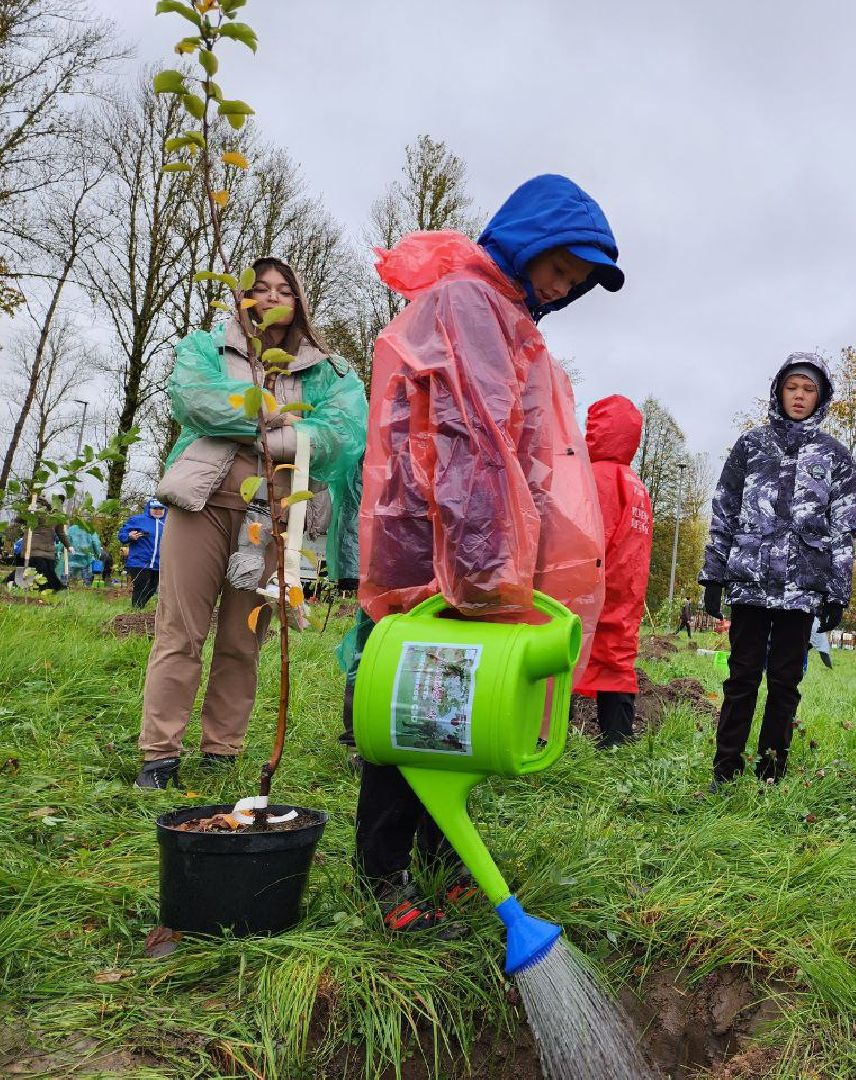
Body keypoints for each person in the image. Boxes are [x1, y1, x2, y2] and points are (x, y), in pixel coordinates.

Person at [352, 174, 618, 933]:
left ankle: (441, 856)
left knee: (452, 705)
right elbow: (473, 440)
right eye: (561, 269)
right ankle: (383, 869)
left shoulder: (497, 311)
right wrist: (484, 555)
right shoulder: (470, 304)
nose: (564, 290)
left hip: (470, 536)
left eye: (576, 283)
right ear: (528, 243)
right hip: (438, 538)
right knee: (408, 704)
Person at [134, 257, 368, 790]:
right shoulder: (205, 348)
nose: (270, 296)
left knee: (244, 638)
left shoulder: (330, 372)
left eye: (284, 287)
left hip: (274, 514)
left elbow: (340, 435)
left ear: (300, 299)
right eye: (258, 287)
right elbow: (196, 402)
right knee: (179, 630)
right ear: (243, 297)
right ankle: (159, 753)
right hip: (202, 501)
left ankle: (221, 749)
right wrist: (283, 417)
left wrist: (262, 428)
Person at [701, 353, 856, 787]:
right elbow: (725, 509)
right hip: (749, 579)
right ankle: (725, 770)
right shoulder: (750, 446)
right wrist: (713, 575)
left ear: (821, 397)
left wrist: (836, 592)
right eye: (793, 388)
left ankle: (771, 771)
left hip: (802, 585)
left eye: (809, 390)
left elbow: (844, 527)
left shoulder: (835, 457)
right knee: (742, 676)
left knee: (786, 682)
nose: (800, 397)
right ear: (779, 390)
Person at [575, 395, 653, 749]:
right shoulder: (636, 484)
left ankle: (546, 733)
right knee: (618, 654)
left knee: (568, 650)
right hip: (628, 584)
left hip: (595, 581)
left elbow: (586, 535)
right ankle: (617, 735)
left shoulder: (595, 478)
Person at [118, 500, 166, 608]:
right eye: (155, 508)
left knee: (152, 588)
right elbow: (122, 534)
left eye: (160, 508)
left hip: (159, 563)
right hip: (139, 562)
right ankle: (136, 609)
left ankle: (140, 607)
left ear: (165, 509)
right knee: (140, 585)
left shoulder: (169, 523)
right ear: (149, 509)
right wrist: (129, 536)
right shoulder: (137, 520)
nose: (158, 511)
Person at [66, 520, 103, 587]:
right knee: (87, 580)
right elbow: (96, 542)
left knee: (70, 579)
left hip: (72, 558)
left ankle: (69, 591)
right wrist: (98, 553)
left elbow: (65, 542)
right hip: (86, 558)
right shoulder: (90, 529)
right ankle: (87, 592)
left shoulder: (71, 529)